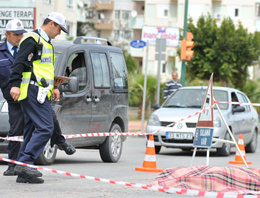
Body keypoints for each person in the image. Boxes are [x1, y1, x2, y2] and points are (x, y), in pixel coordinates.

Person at [9, 13, 74, 184]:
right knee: (46, 126)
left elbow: (42, 70)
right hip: (31, 90)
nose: (60, 33)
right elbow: (19, 63)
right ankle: (25, 162)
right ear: (51, 24)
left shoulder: (47, 44)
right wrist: (14, 85)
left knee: (32, 129)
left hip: (41, 91)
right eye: (59, 29)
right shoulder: (32, 39)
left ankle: (24, 174)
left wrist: (54, 87)